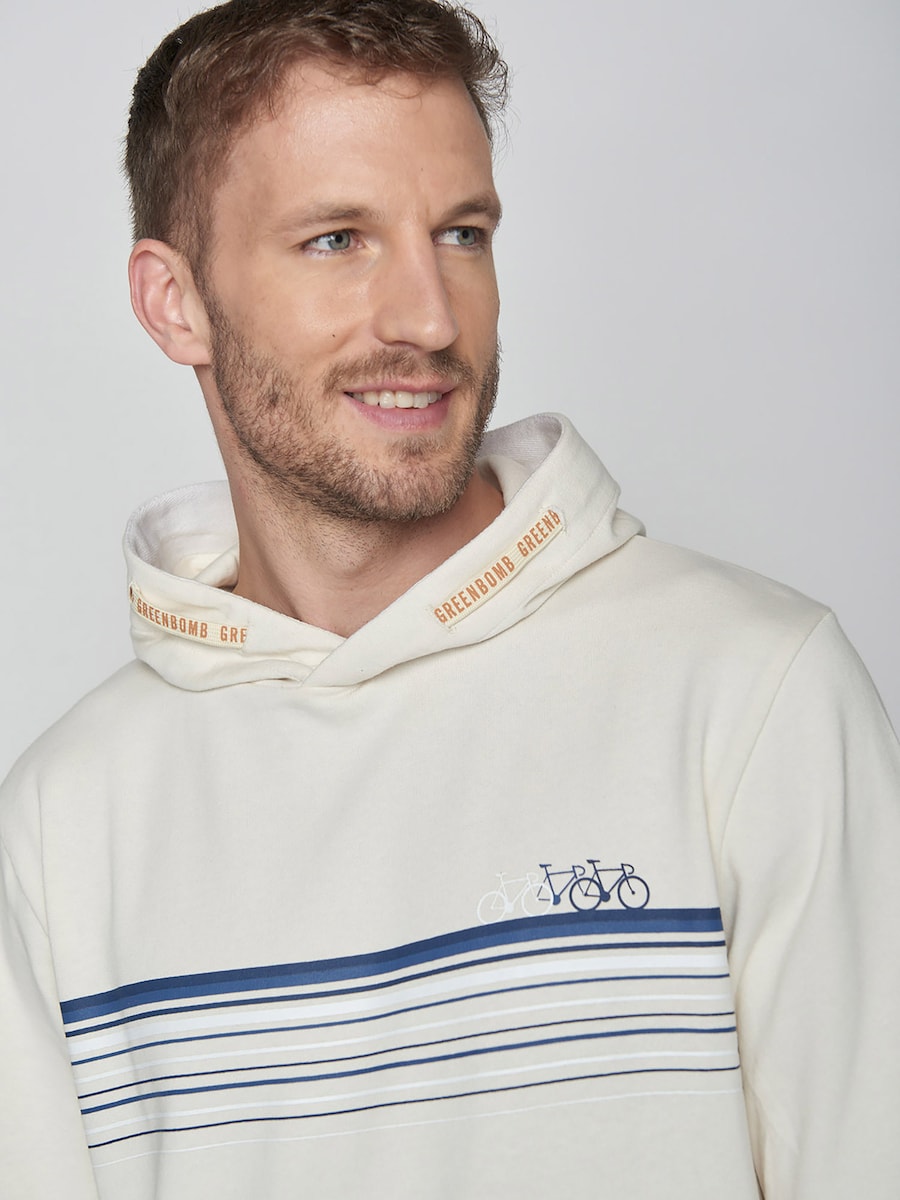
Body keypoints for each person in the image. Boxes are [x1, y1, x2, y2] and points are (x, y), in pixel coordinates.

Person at [1, 1, 898, 1196]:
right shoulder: (62, 826)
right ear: (176, 303)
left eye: (462, 233)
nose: (430, 318)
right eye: (337, 240)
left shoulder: (755, 697)